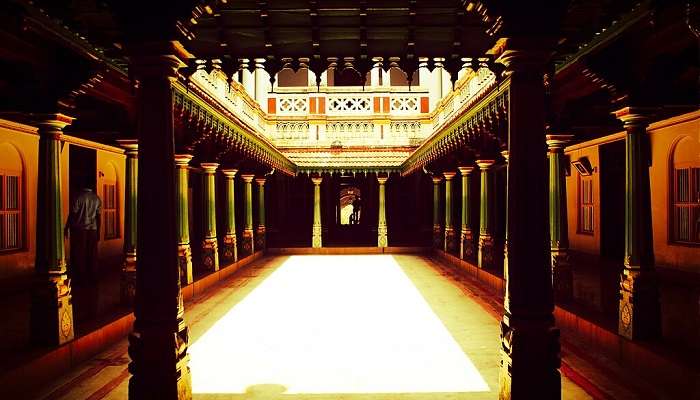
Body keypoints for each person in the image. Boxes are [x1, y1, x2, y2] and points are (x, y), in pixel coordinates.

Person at [64, 183, 101, 289]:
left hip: (80, 230)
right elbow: (98, 217)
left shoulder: (78, 197)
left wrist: (67, 228)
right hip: (92, 230)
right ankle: (93, 278)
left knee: (80, 254)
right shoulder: (96, 198)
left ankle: (81, 279)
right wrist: (98, 231)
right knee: (92, 254)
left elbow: (72, 214)